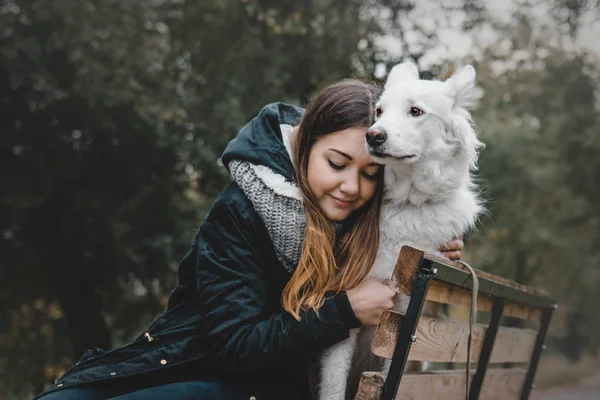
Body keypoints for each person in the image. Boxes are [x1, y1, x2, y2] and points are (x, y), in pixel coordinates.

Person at [35, 79, 463, 400]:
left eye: (369, 174)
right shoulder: (243, 210)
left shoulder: (366, 223)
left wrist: (440, 244)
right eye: (336, 163)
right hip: (190, 364)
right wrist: (344, 310)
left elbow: (419, 207)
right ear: (302, 148)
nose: (351, 186)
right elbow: (235, 346)